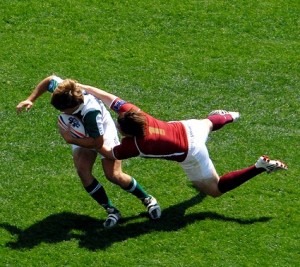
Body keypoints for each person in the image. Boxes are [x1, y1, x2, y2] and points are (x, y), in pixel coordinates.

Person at [61, 84, 288, 199]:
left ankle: (258, 167)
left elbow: (107, 152)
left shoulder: (136, 145)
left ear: (126, 131)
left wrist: (74, 139)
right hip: (186, 126)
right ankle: (231, 115)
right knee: (208, 122)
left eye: (118, 125)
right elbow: (110, 98)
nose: (117, 124)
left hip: (192, 152)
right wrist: (85, 87)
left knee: (215, 189)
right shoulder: (137, 114)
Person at [16, 75, 161, 228]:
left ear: (73, 107)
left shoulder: (91, 114)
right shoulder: (67, 91)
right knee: (83, 171)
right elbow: (49, 80)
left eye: (62, 109)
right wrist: (30, 99)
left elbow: (97, 143)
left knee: (113, 175)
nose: (60, 111)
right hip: (80, 131)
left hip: (102, 135)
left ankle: (148, 199)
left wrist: (70, 139)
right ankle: (112, 210)